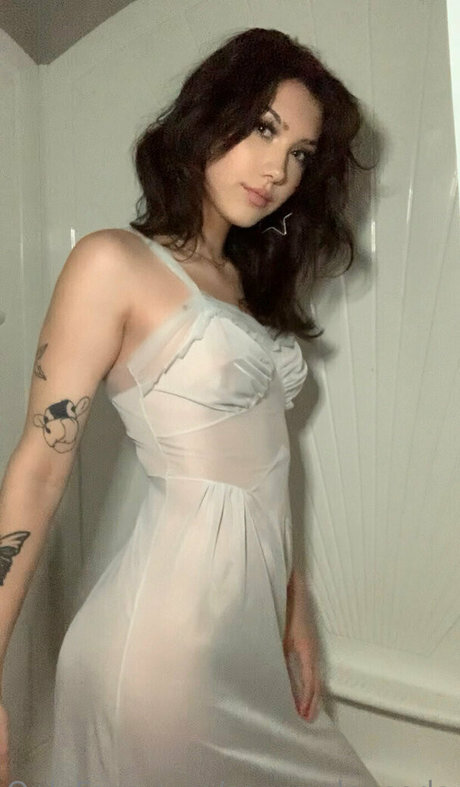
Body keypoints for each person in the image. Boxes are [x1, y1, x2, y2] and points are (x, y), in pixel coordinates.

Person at [0, 27, 378, 787]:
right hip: (161, 655)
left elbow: (266, 469)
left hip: (244, 641)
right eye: (264, 129)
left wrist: (294, 607)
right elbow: (39, 468)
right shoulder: (114, 262)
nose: (278, 169)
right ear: (210, 116)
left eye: (301, 153)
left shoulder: (246, 287)